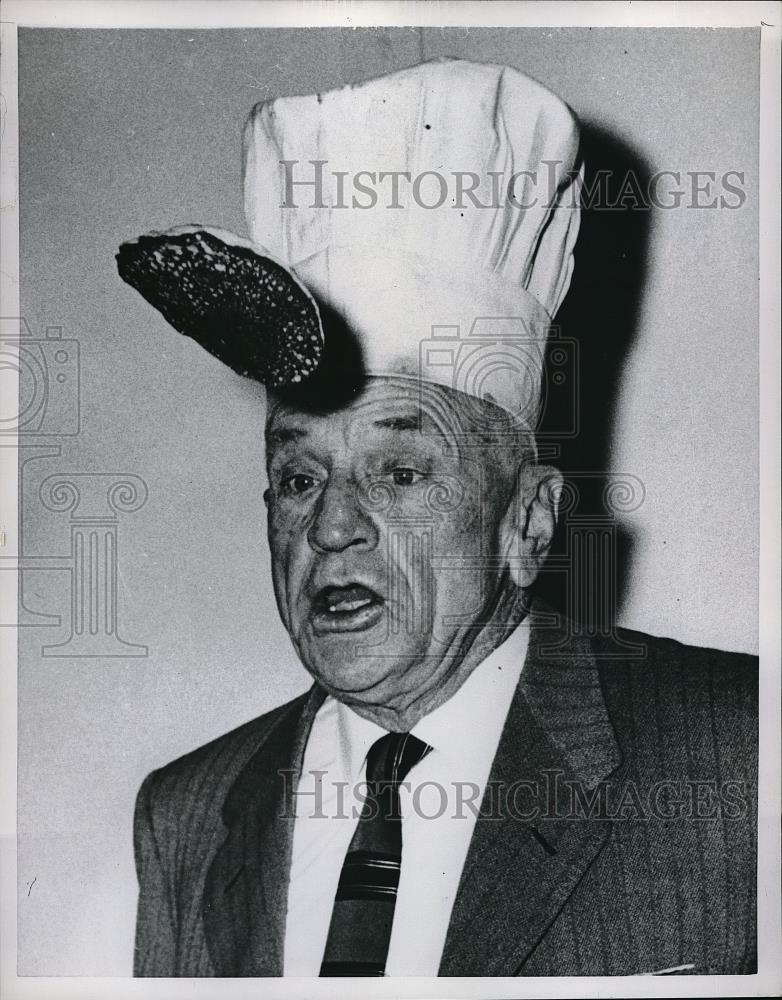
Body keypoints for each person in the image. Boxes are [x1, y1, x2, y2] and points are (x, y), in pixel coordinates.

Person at [119, 59, 757, 978]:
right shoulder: (186, 815)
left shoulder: (739, 753)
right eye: (298, 477)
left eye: (403, 471)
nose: (333, 526)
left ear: (529, 523)